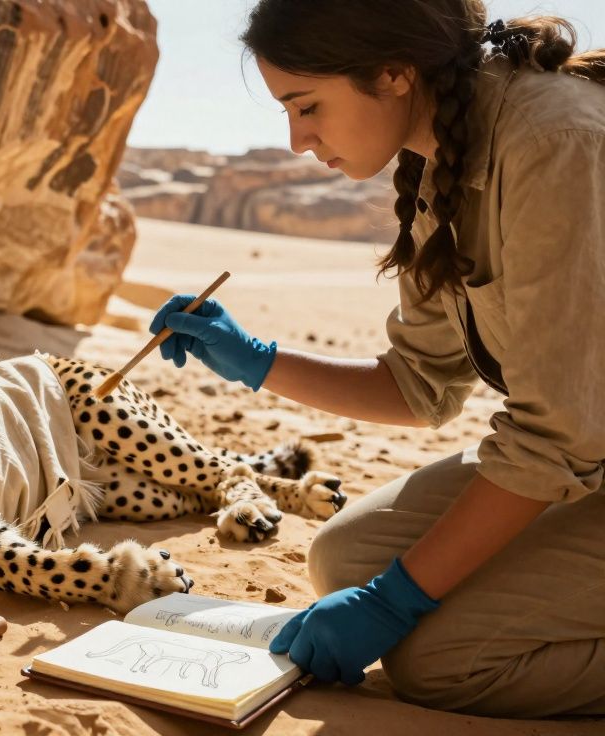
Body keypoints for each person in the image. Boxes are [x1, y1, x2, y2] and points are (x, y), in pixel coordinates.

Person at [149, 0, 605, 718]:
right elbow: (419, 385)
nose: (298, 140)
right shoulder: (437, 163)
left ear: (394, 73)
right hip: (588, 460)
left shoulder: (554, 140)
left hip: (582, 453)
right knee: (342, 560)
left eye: (307, 107)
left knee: (442, 660)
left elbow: (558, 433)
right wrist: (256, 360)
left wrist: (397, 601)